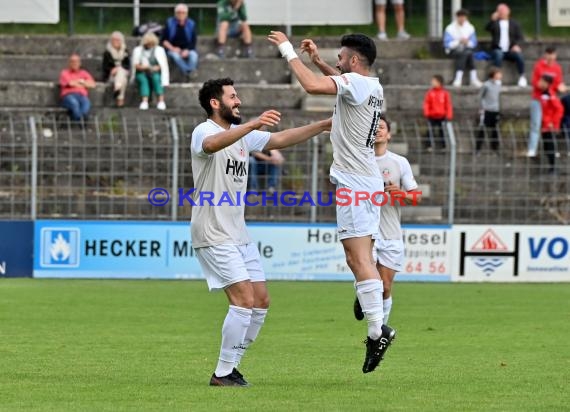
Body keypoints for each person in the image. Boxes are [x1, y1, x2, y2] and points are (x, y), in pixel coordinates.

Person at [269, 31, 396, 374]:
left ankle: (377, 329)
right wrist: (320, 61)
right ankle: (372, 306)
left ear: (354, 61)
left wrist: (286, 50)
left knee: (358, 258)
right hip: (365, 180)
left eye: (340, 57)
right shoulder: (372, 85)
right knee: (358, 258)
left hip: (355, 182)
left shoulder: (356, 83)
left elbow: (312, 87)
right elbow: (341, 80)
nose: (337, 62)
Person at [191, 78, 331, 386]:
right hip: (213, 232)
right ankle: (222, 373)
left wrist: (321, 125)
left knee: (260, 300)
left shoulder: (243, 137)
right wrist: (253, 124)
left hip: (238, 233)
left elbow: (280, 139)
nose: (238, 101)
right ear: (216, 103)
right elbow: (211, 146)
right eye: (233, 96)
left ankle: (232, 366)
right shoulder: (205, 131)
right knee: (243, 299)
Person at [353, 116, 421, 329]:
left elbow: (416, 197)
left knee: (385, 287)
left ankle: (380, 329)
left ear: (389, 134)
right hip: (365, 233)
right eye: (374, 127)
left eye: (381, 127)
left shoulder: (399, 163)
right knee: (371, 282)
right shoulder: (358, 161)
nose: (378, 131)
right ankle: (376, 329)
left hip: (391, 233)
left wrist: (400, 194)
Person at [527, 47, 566, 157]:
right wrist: (544, 85)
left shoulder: (557, 68)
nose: (550, 57)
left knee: (551, 125)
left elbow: (559, 83)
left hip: (550, 101)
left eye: (552, 54)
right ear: (545, 55)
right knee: (536, 124)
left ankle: (552, 150)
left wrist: (559, 87)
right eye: (548, 54)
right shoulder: (539, 66)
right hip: (538, 99)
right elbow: (536, 83)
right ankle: (532, 149)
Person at [485, 3, 526, 87]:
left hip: (510, 50)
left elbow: (520, 37)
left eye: (503, 11)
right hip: (497, 49)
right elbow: (487, 28)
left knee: (519, 56)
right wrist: (492, 20)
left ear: (508, 12)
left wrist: (516, 45)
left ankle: (522, 76)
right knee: (498, 54)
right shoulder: (495, 23)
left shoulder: (514, 23)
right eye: (499, 11)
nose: (501, 13)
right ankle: (496, 78)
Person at [131, 32, 170, 110]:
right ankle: (144, 101)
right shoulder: (138, 50)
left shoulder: (159, 50)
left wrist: (155, 68)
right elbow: (135, 65)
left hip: (154, 72)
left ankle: (161, 101)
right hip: (141, 72)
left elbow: (162, 65)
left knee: (156, 78)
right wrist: (145, 67)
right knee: (143, 80)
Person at [444, 9, 481, 88]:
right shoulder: (450, 28)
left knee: (468, 53)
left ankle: (461, 78)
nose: (462, 19)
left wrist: (467, 42)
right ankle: (470, 78)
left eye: (464, 17)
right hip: (453, 50)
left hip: (466, 49)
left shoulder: (470, 27)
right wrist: (459, 41)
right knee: (466, 53)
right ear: (457, 17)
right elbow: (447, 44)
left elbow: (474, 43)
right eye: (460, 17)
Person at [161, 3, 199, 79]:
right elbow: (164, 40)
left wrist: (187, 50)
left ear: (186, 14)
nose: (181, 14)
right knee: (176, 56)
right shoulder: (169, 23)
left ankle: (189, 73)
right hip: (172, 49)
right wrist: (173, 48)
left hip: (187, 49)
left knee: (194, 56)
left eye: (183, 12)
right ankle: (189, 72)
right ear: (175, 13)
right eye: (179, 12)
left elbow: (193, 41)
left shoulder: (191, 24)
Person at [537, 74, 564, 174]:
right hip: (544, 125)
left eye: (541, 81)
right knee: (546, 146)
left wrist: (553, 122)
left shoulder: (550, 94)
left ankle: (553, 168)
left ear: (547, 83)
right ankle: (550, 167)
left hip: (549, 126)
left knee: (550, 145)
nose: (539, 82)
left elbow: (559, 109)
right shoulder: (543, 93)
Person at [59, 53, 96, 123]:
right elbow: (70, 83)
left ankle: (77, 118)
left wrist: (79, 83)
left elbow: (92, 84)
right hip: (68, 96)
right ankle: (80, 121)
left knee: (86, 104)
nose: (74, 63)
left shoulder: (84, 73)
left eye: (76, 61)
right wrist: (83, 83)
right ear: (69, 63)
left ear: (80, 63)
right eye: (72, 61)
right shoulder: (65, 73)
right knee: (74, 103)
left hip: (81, 96)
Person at [476, 67, 502, 154]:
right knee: (482, 129)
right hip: (486, 110)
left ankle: (495, 148)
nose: (500, 75)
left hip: (495, 110)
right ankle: (478, 148)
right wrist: (482, 107)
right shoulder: (486, 85)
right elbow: (480, 97)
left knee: (495, 130)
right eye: (498, 73)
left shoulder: (498, 85)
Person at [423, 74, 453, 150]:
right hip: (432, 116)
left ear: (439, 82)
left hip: (442, 116)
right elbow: (427, 103)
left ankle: (444, 146)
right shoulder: (430, 93)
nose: (432, 83)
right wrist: (427, 113)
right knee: (430, 131)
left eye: (434, 81)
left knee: (442, 131)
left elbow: (448, 104)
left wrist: (449, 115)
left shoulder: (444, 93)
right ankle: (429, 146)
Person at [102, 31, 130, 107]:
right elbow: (105, 67)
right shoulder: (107, 53)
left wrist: (118, 68)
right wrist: (112, 70)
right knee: (123, 79)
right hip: (112, 75)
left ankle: (117, 87)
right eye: (114, 40)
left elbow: (128, 65)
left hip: (123, 72)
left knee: (121, 71)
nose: (115, 42)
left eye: (118, 40)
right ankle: (120, 100)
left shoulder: (125, 51)